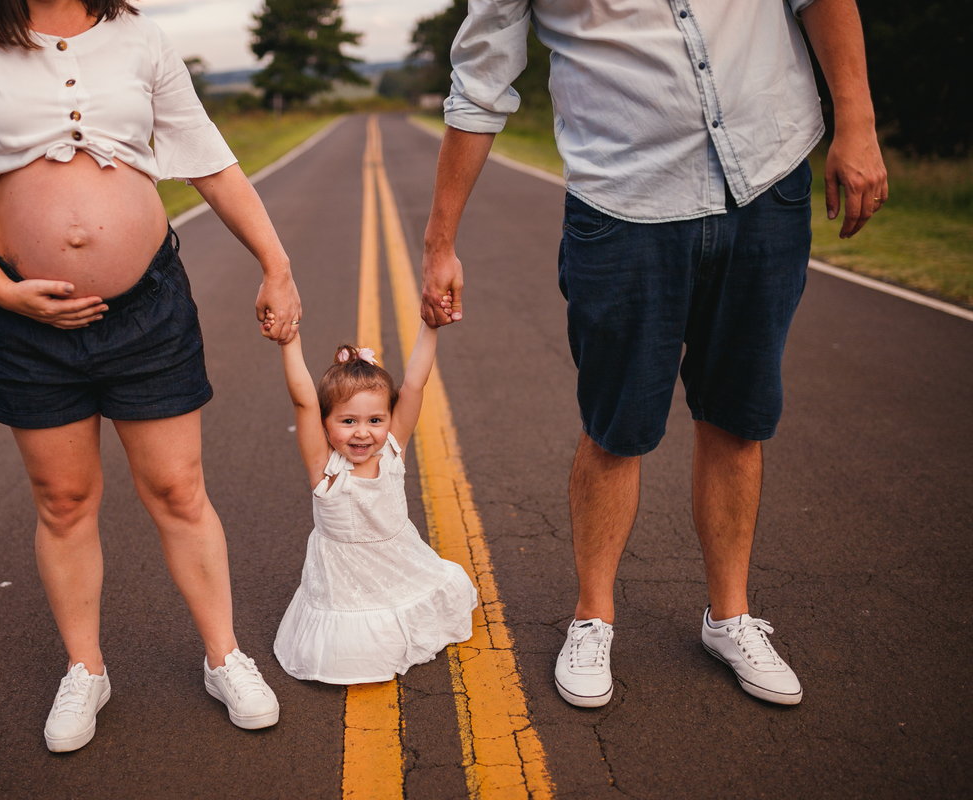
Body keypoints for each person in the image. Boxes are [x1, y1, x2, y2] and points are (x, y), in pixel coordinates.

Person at [420, 0, 888, 707]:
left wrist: (858, 123)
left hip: (766, 180)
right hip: (624, 204)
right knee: (617, 428)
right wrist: (440, 242)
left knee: (738, 417)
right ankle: (593, 616)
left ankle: (729, 617)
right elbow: (481, 79)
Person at [0, 0, 297, 750]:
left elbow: (208, 158)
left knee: (179, 489)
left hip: (149, 307)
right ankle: (87, 669)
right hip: (24, 318)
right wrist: (2, 289)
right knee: (64, 497)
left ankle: (224, 656)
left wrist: (276, 264)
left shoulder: (140, 36)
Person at [268, 314, 478, 683]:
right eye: (347, 421)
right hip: (345, 582)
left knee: (447, 591)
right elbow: (303, 401)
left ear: (388, 419)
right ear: (325, 424)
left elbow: (413, 386)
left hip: (400, 565)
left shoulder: (393, 449)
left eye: (375, 420)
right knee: (353, 652)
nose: (363, 433)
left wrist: (430, 326)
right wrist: (289, 342)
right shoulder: (325, 466)